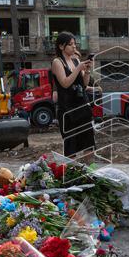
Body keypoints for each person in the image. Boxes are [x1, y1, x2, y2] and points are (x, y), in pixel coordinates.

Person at [51, 33, 95, 161]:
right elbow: (65, 83)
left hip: (81, 106)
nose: (73, 47)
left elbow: (85, 83)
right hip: (67, 109)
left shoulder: (76, 61)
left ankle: (89, 170)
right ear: (61, 46)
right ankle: (72, 173)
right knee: (71, 143)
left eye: (74, 44)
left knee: (88, 141)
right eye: (70, 44)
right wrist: (78, 69)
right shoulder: (57, 62)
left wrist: (86, 70)